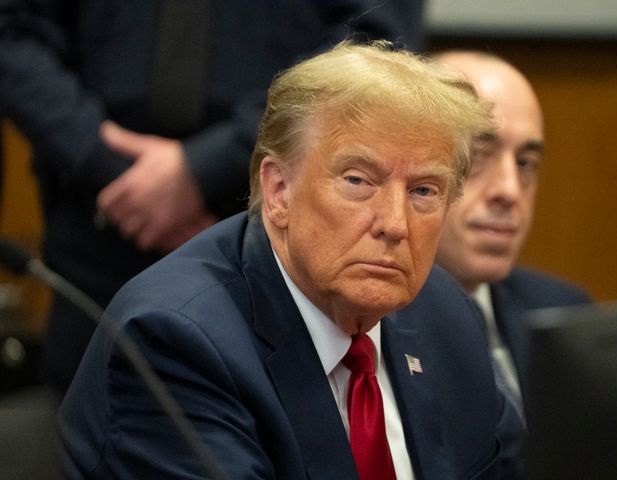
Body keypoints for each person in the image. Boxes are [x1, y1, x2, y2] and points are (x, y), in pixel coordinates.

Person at [58, 41, 521, 479]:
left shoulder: (447, 317)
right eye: (359, 181)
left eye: (423, 191)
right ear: (279, 190)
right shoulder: (176, 342)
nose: (395, 224)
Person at [0, 1, 425, 395]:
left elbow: (375, 38)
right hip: (99, 224)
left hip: (284, 227)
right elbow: (12, 30)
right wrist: (104, 161)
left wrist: (208, 166)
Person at [433, 51, 591, 397]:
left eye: (525, 163)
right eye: (476, 156)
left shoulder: (564, 316)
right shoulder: (369, 335)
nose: (509, 190)